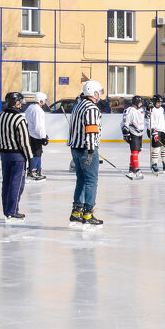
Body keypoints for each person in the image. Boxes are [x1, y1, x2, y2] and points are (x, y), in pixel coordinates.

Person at [67, 80, 104, 227]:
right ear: (92, 92)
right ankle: (88, 213)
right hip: (86, 149)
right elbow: (91, 130)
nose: (99, 95)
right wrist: (90, 151)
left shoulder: (78, 106)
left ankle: (76, 211)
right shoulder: (92, 109)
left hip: (75, 148)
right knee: (91, 181)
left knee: (81, 180)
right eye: (98, 92)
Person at [0, 91, 32, 223]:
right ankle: (12, 210)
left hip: (4, 155)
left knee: (6, 183)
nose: (21, 104)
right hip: (18, 157)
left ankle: (6, 209)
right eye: (20, 102)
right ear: (16, 103)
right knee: (16, 183)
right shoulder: (19, 119)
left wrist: (2, 150)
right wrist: (30, 159)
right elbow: (25, 141)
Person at [146, 95, 165, 173]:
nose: (160, 104)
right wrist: (153, 131)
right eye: (158, 102)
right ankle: (154, 165)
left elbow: (161, 121)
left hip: (161, 131)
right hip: (154, 131)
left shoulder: (161, 109)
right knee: (156, 149)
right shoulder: (151, 110)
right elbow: (148, 121)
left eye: (161, 102)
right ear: (154, 102)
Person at [120, 95, 147, 179]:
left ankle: (132, 169)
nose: (141, 104)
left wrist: (149, 111)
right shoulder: (129, 110)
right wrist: (125, 132)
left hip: (140, 133)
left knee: (138, 151)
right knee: (134, 151)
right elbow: (125, 121)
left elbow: (145, 117)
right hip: (133, 132)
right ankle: (136, 169)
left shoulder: (141, 110)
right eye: (139, 102)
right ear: (135, 102)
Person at [25, 91, 49, 182]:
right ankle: (32, 171)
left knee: (37, 153)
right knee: (36, 153)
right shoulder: (38, 110)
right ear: (41, 100)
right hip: (35, 135)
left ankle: (37, 170)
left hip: (30, 134)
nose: (45, 102)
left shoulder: (30, 108)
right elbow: (38, 126)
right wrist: (43, 136)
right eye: (44, 100)